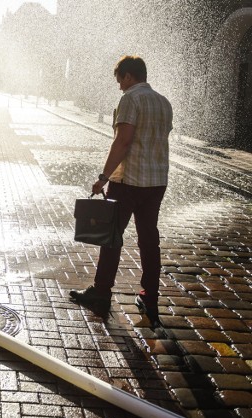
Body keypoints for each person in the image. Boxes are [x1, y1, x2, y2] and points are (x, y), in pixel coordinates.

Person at [69, 55, 173, 326]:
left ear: (128, 76)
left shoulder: (130, 99)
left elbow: (123, 140)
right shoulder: (164, 102)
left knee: (111, 236)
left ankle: (101, 292)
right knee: (149, 240)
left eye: (120, 80)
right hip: (156, 181)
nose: (119, 87)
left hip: (128, 181)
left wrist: (104, 177)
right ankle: (150, 297)